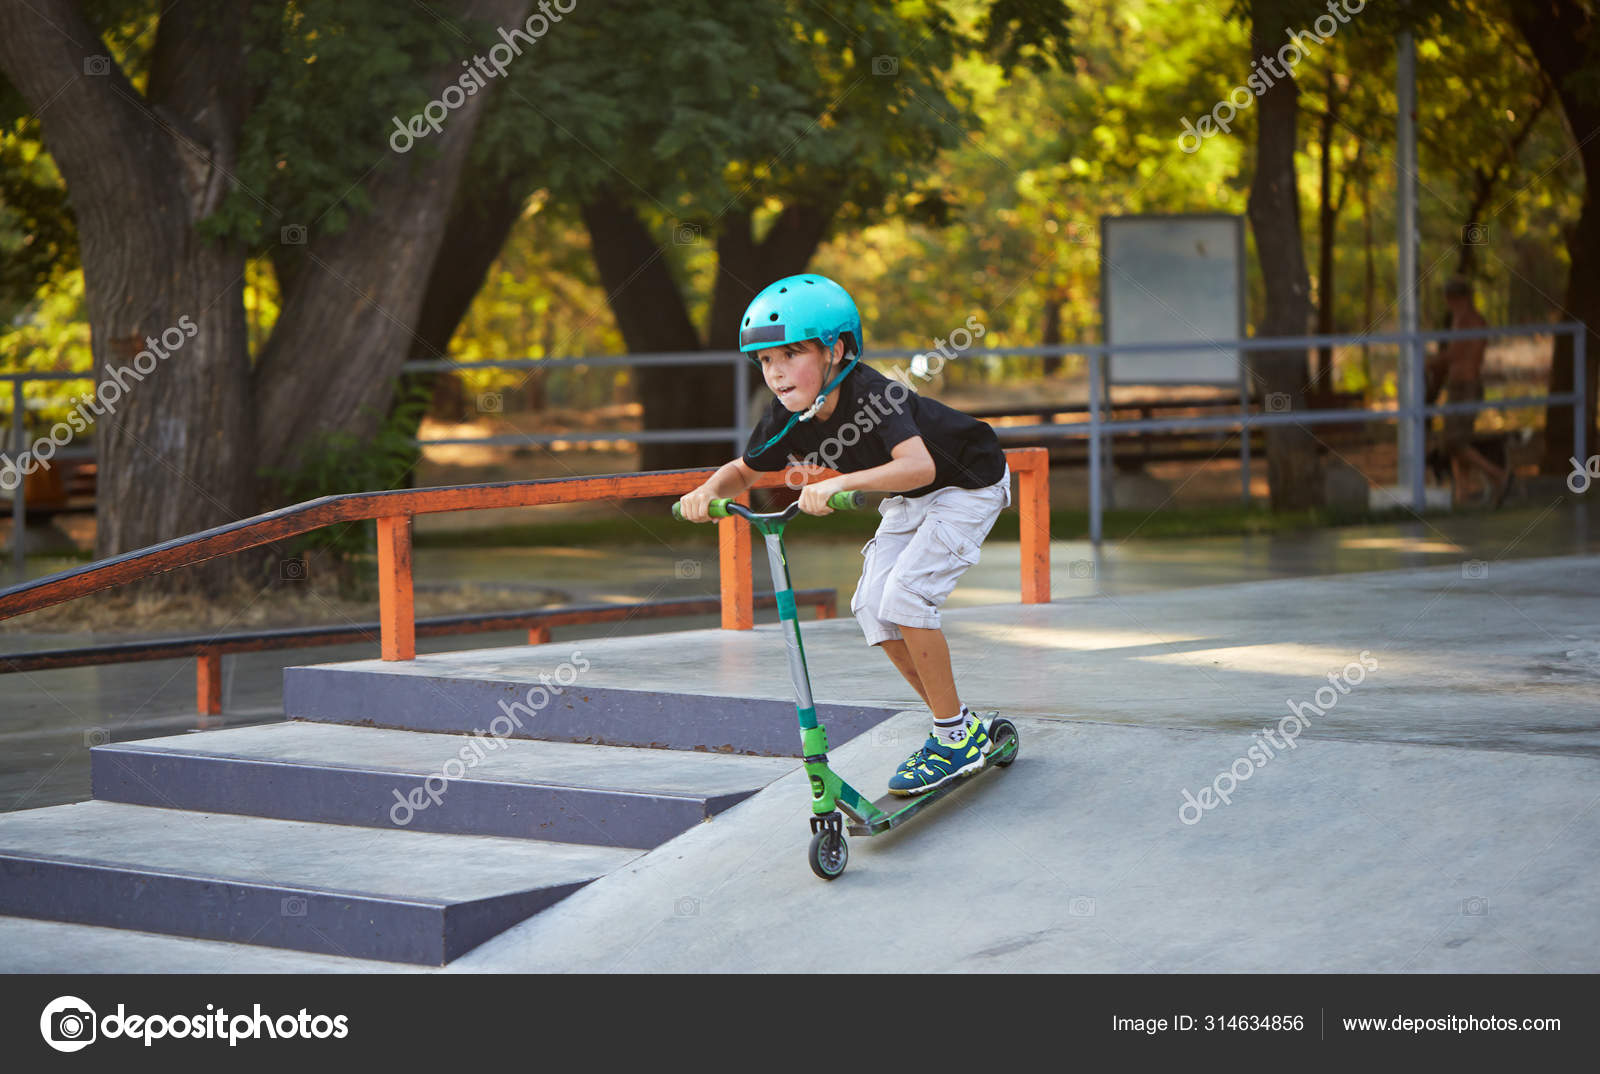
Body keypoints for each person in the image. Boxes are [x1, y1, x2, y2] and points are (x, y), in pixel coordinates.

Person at [676, 274, 1011, 795]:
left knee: (907, 596)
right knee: (872, 606)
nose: (776, 372)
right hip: (912, 495)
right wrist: (707, 490)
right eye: (764, 361)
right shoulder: (790, 415)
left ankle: (951, 733)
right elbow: (743, 470)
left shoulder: (875, 395)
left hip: (969, 482)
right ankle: (959, 726)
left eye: (790, 354)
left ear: (836, 349)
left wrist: (841, 483)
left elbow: (919, 466)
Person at [1427, 277, 1511, 506]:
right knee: (1454, 443)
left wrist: (1427, 362)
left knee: (1454, 442)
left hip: (1467, 387)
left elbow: (1455, 354)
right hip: (1456, 387)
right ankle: (1462, 495)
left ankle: (1497, 475)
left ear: (1458, 298)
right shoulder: (1458, 319)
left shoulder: (1472, 322)